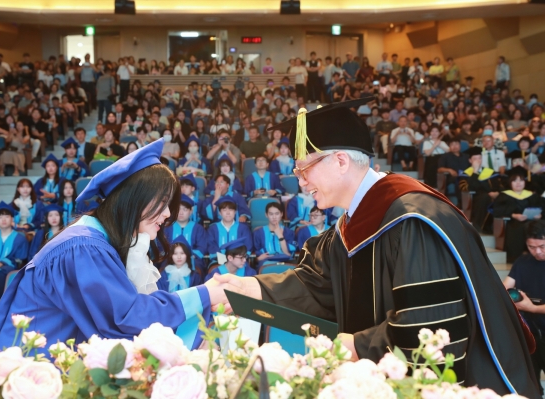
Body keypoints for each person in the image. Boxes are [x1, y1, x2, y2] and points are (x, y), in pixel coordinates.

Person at [213, 98, 540, 397]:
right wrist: (249, 287)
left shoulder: (414, 220)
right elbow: (316, 283)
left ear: (340, 161)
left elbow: (430, 328)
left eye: (304, 169)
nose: (300, 180)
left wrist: (357, 345)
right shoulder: (352, 224)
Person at [0, 139, 237, 355]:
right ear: (132, 200)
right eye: (162, 202)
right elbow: (125, 319)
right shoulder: (83, 247)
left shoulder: (93, 243)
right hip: (32, 373)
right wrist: (206, 295)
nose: (168, 214)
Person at [503, 221, 545, 396]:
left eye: (542, 246)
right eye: (531, 247)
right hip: (530, 332)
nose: (537, 251)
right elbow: (505, 287)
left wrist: (532, 308)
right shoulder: (523, 261)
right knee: (531, 382)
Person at [493, 167, 543, 262]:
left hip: (533, 222)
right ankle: (518, 257)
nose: (518, 183)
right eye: (515, 181)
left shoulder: (532, 195)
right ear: (510, 183)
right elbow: (497, 211)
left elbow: (540, 209)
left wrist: (539, 215)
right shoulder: (504, 195)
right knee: (522, 227)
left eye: (521, 180)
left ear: (525, 182)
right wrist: (513, 215)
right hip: (514, 223)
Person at [459, 147, 502, 233]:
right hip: (473, 199)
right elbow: (468, 188)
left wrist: (497, 193)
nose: (478, 160)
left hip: (491, 197)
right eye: (475, 159)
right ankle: (479, 226)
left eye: (479, 158)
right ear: (470, 161)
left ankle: (496, 230)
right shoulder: (465, 174)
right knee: (485, 198)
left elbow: (498, 187)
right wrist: (475, 172)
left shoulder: (490, 173)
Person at [163, 196, 207, 274]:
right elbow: (162, 246)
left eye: (185, 209)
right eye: (178, 209)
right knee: (162, 271)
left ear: (190, 211)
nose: (181, 212)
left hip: (193, 259)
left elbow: (202, 247)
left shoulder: (198, 228)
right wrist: (173, 256)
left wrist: (188, 256)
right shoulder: (167, 228)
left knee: (197, 272)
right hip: (170, 258)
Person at [206, 196, 253, 263]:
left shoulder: (243, 228)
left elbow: (248, 245)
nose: (228, 213)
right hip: (218, 261)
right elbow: (211, 246)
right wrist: (222, 259)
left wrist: (236, 259)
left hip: (239, 261)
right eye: (224, 210)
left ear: (235, 212)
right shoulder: (213, 229)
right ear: (220, 213)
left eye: (231, 210)